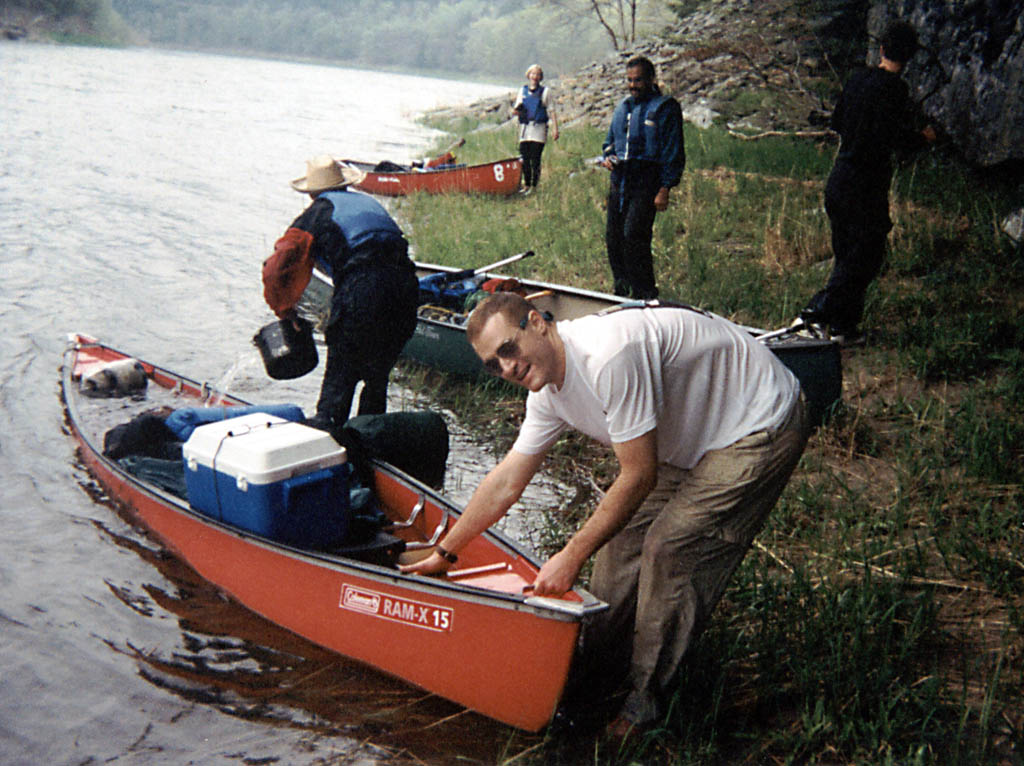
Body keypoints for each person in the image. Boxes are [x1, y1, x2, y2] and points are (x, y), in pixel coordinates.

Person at [401, 292, 811, 738]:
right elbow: (506, 482)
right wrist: (446, 552)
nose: (506, 368)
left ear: (537, 323)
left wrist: (571, 554)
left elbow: (638, 475)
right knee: (620, 546)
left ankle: (645, 704)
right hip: (695, 439)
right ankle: (591, 675)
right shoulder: (546, 395)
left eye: (508, 349)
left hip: (758, 422)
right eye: (492, 364)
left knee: (669, 549)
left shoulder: (608, 356)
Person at [797, 20, 936, 346]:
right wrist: (924, 137)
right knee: (867, 256)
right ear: (910, 57)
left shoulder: (858, 78)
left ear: (883, 49)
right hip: (866, 185)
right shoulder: (895, 90)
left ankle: (845, 328)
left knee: (848, 255)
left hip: (840, 178)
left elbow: (840, 123)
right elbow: (895, 140)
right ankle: (813, 314)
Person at [261, 155, 418, 430]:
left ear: (311, 192)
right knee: (376, 377)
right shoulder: (368, 202)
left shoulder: (317, 213)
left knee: (339, 382)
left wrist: (286, 313)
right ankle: (369, 443)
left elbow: (275, 269)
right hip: (407, 292)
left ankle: (328, 437)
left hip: (365, 291)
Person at [601, 56, 685, 300]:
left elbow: (673, 151)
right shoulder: (623, 107)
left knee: (634, 236)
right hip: (620, 179)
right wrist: (608, 158)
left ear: (651, 79)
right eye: (629, 80)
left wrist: (665, 187)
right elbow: (609, 144)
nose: (633, 85)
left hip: (647, 180)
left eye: (638, 80)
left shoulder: (666, 108)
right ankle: (622, 291)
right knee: (613, 237)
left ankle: (645, 293)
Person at [511, 64, 559, 193]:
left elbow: (552, 110)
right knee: (524, 158)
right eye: (533, 74)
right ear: (528, 75)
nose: (535, 77)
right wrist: (517, 111)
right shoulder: (523, 91)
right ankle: (526, 184)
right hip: (525, 128)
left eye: (537, 74)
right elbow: (516, 109)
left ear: (540, 77)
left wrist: (555, 128)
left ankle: (534, 185)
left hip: (539, 128)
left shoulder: (545, 92)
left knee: (535, 158)